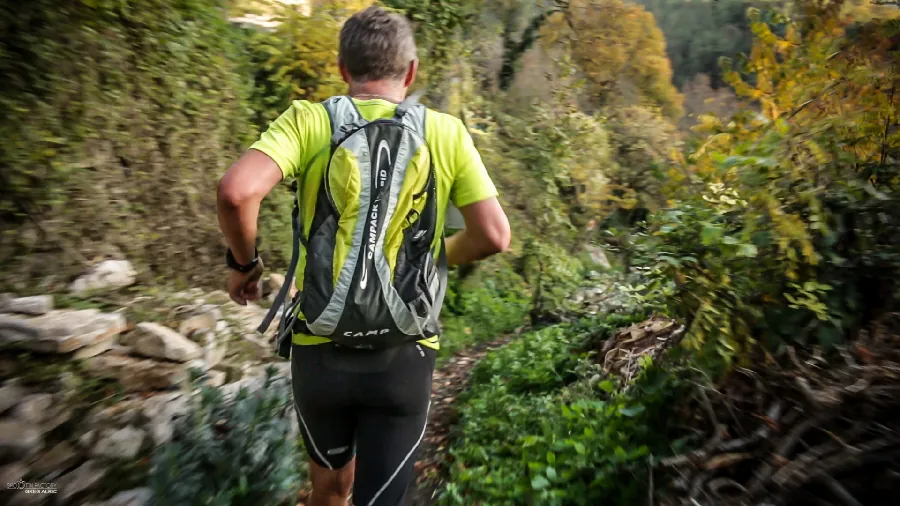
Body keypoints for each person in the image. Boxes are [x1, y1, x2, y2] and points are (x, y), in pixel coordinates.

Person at [216, 6, 510, 506]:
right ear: (411, 71)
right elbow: (494, 235)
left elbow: (236, 193)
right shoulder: (445, 132)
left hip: (320, 350)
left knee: (328, 491)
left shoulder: (309, 121)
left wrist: (245, 265)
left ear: (342, 69)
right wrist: (436, 255)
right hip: (405, 357)